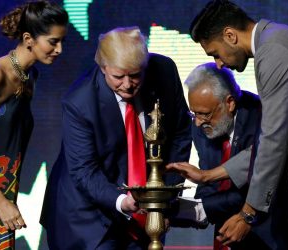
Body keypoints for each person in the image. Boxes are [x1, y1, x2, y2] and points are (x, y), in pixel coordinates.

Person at [40, 26, 191, 249]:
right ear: (103, 68)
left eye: (136, 75)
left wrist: (163, 200)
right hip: (89, 218)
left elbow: (180, 134)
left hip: (146, 214)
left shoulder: (164, 71)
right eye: (118, 76)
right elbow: (84, 171)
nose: (128, 84)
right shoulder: (80, 102)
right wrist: (122, 201)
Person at [188, 0, 288, 248]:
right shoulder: (276, 41)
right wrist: (209, 176)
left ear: (230, 35)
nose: (218, 63)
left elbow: (274, 139)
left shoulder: (273, 52)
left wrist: (248, 213)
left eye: (215, 54)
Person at [167, 62, 288, 250]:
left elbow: (256, 187)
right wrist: (188, 208)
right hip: (228, 230)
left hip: (272, 228)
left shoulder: (263, 118)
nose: (197, 123)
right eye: (194, 113)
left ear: (230, 103)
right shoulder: (202, 125)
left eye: (204, 114)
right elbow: (208, 182)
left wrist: (200, 209)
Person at [0, 1, 68, 249]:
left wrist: (3, 200)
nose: (59, 49)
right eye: (53, 41)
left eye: (62, 42)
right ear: (29, 38)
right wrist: (0, 201)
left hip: (0, 196)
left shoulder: (28, 77)